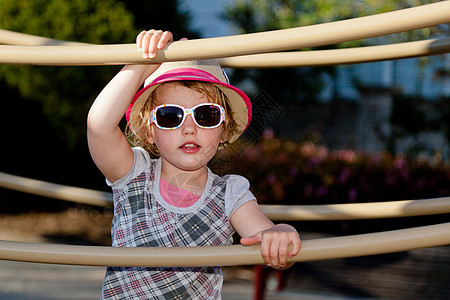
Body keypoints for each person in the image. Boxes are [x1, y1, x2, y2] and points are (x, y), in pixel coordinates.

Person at [88, 29, 301, 299]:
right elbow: (99, 127)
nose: (189, 129)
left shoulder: (229, 194)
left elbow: (268, 237)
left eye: (206, 115)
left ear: (224, 130)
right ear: (149, 130)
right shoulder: (133, 175)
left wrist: (282, 233)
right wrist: (139, 65)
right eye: (169, 116)